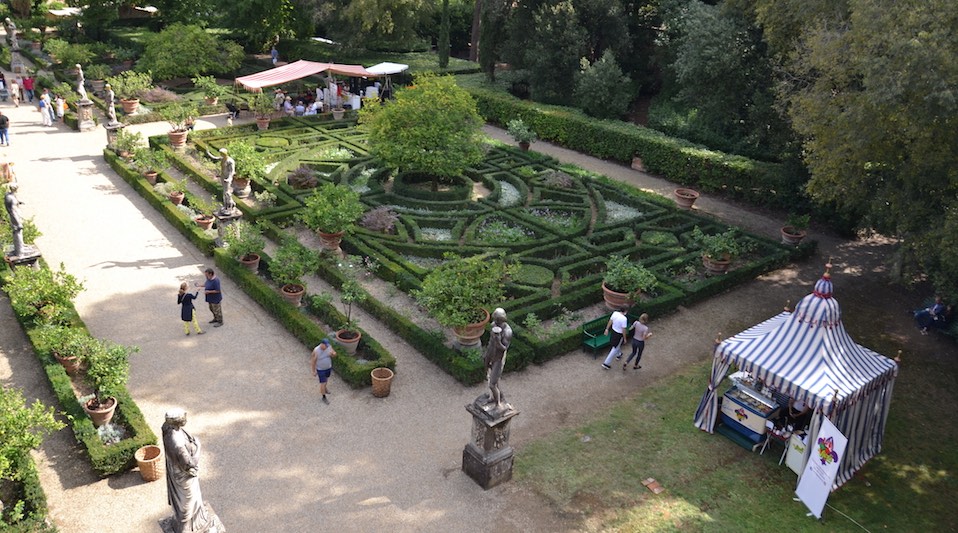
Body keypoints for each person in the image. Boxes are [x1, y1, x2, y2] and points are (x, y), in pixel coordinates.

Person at [162, 409, 211, 533]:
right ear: (177, 422)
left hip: (176, 472)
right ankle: (186, 528)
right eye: (183, 418)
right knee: (187, 502)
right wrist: (199, 446)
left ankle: (195, 521)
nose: (185, 419)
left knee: (186, 500)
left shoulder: (167, 429)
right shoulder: (177, 443)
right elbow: (190, 463)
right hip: (184, 477)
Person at [482, 308, 512, 408]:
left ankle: (498, 404)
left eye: (498, 320)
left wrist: (498, 341)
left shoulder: (507, 332)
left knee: (492, 384)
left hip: (498, 359)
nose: (496, 322)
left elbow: (503, 348)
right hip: (490, 354)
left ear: (502, 319)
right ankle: (493, 397)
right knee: (489, 376)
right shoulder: (493, 325)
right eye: (495, 320)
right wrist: (487, 355)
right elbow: (490, 343)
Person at [309, 339, 337, 404]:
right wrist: (313, 371)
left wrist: (333, 354)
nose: (326, 347)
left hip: (328, 368)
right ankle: (324, 397)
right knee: (323, 383)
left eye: (327, 346)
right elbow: (313, 361)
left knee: (326, 379)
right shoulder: (316, 351)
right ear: (322, 344)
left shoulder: (329, 347)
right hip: (321, 369)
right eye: (325, 346)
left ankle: (325, 389)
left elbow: (334, 354)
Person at [4, 182, 24, 257]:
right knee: (18, 232)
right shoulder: (12, 199)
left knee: (17, 232)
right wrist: (18, 222)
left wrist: (18, 202)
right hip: (15, 217)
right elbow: (12, 211)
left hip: (13, 215)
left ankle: (20, 246)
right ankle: (19, 251)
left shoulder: (8, 195)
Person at [216, 148, 236, 215]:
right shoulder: (223, 159)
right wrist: (208, 153)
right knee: (224, 192)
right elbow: (215, 157)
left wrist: (229, 179)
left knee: (227, 192)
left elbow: (232, 171)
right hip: (223, 177)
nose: (220, 155)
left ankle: (231, 204)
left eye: (221, 153)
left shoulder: (230, 161)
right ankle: (225, 206)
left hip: (227, 178)